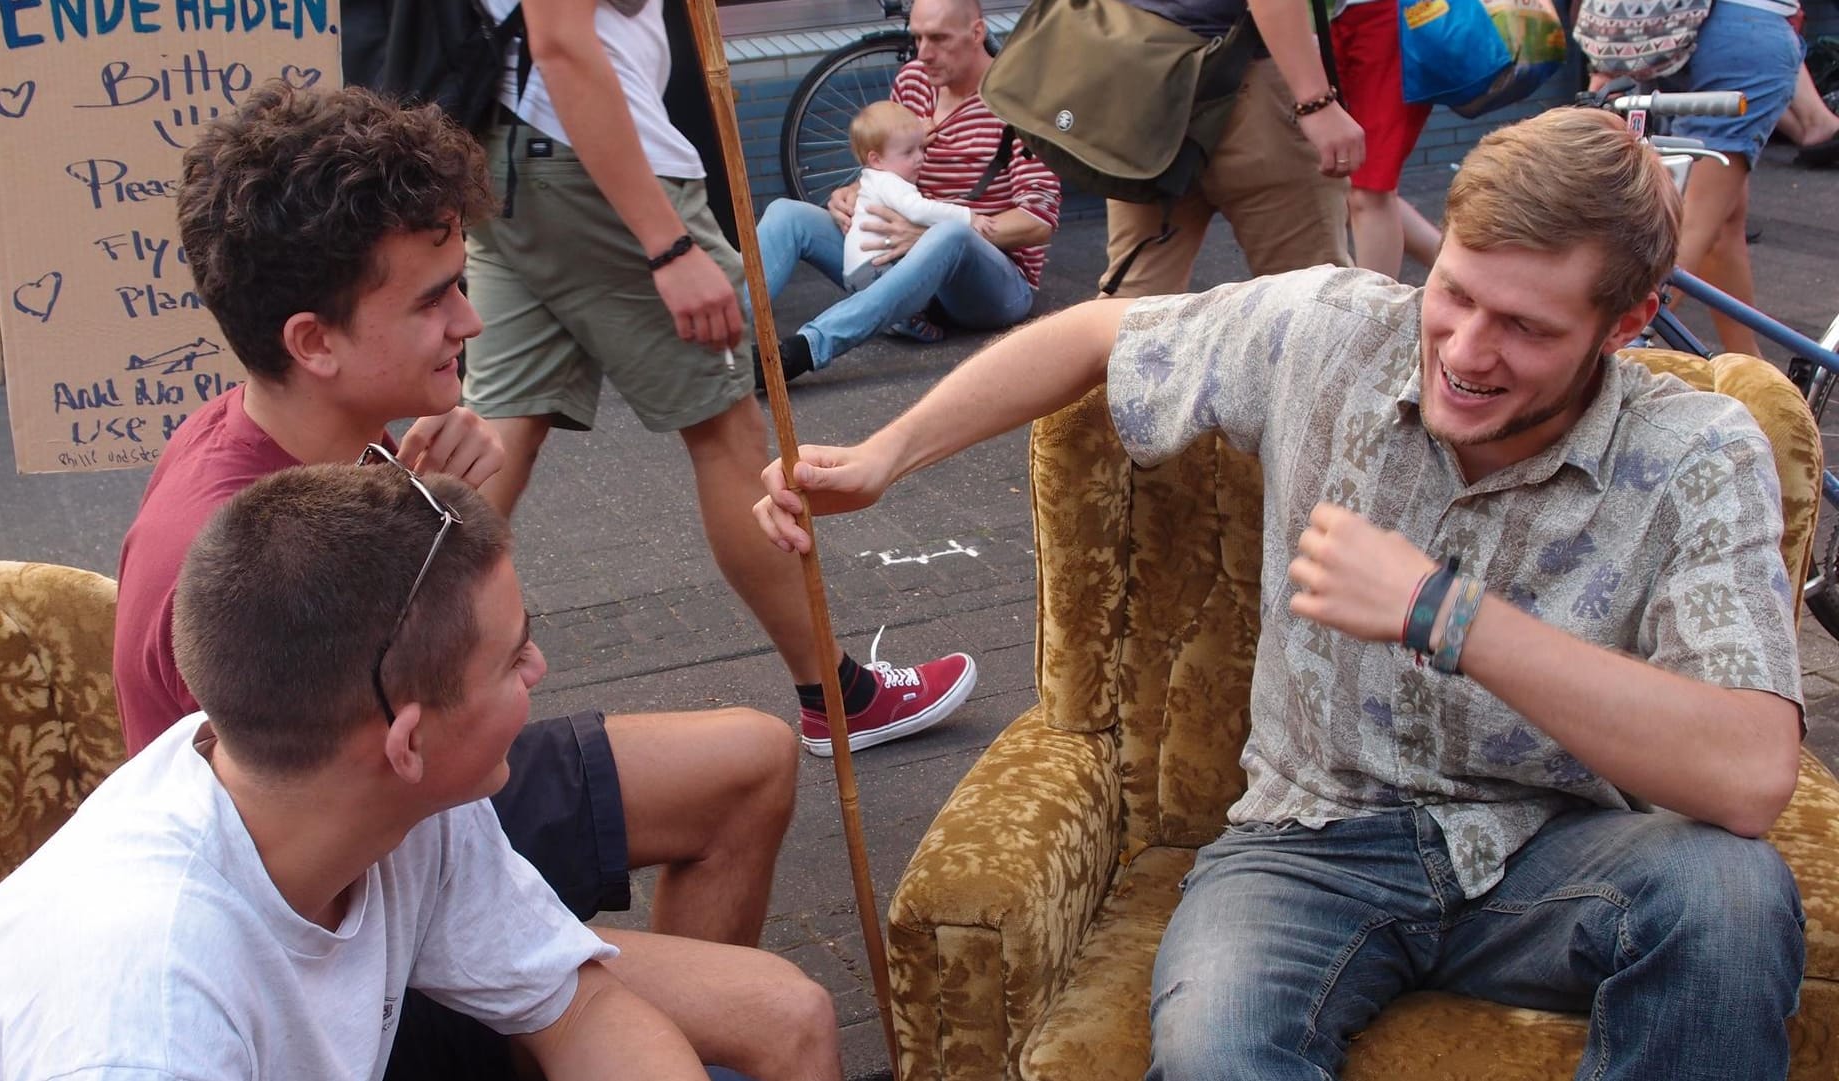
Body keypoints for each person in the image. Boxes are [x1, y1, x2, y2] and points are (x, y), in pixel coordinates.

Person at [756, 107, 1807, 1078]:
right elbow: (1091, 333)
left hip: (1553, 846)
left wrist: (1447, 613)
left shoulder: (1698, 452)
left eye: (1527, 329)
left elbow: (1751, 773)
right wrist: (886, 456)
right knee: (1216, 1042)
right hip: (1310, 841)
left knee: (1729, 895)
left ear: (1628, 325)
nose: (1467, 352)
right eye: (1457, 295)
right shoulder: (1332, 330)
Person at [114, 83, 836, 1081]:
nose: (472, 321)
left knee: (752, 759)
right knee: (783, 1017)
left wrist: (428, 501)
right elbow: (324, 840)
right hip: (346, 887)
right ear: (312, 341)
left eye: (462, 281)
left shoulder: (311, 431)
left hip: (403, 805)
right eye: (433, 299)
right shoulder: (230, 550)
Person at [0, 462, 737, 1080]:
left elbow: (579, 1007)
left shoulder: (380, 792)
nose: (539, 666)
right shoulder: (148, 1020)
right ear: (406, 742)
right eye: (514, 653)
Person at [463, 0, 977, 756]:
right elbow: (566, 42)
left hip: (505, 158)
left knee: (494, 441)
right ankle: (836, 696)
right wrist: (668, 246)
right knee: (729, 442)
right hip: (594, 156)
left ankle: (387, 697)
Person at [752, 0, 1062, 382]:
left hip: (991, 287)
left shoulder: (1021, 101)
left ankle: (803, 351)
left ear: (977, 33)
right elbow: (885, 163)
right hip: (900, 264)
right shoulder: (914, 80)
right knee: (788, 214)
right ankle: (714, 344)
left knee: (951, 233)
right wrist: (853, 192)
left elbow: (1038, 221)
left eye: (938, 38)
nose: (923, 53)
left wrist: (929, 237)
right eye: (917, 37)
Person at [1096, 0, 1358, 298]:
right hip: (1248, 81)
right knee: (1309, 298)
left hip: (1148, 79)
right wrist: (1316, 102)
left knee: (1136, 294)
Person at [1589, 0, 1804, 356]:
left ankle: (1748, 372)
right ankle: (1605, 354)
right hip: (1744, 31)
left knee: (1717, 225)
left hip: (1670, 32)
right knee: (1694, 223)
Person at [842, 100, 996, 301]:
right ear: (876, 159)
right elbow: (918, 210)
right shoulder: (891, 182)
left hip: (856, 270)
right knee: (901, 301)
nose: (920, 157)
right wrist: (968, 216)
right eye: (908, 152)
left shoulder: (872, 178)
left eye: (920, 148)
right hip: (876, 267)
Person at [1329, 0, 1434, 277]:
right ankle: (1457, 268)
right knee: (1349, 186)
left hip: (1388, 17)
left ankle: (1372, 313)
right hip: (1331, 19)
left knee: (1368, 187)